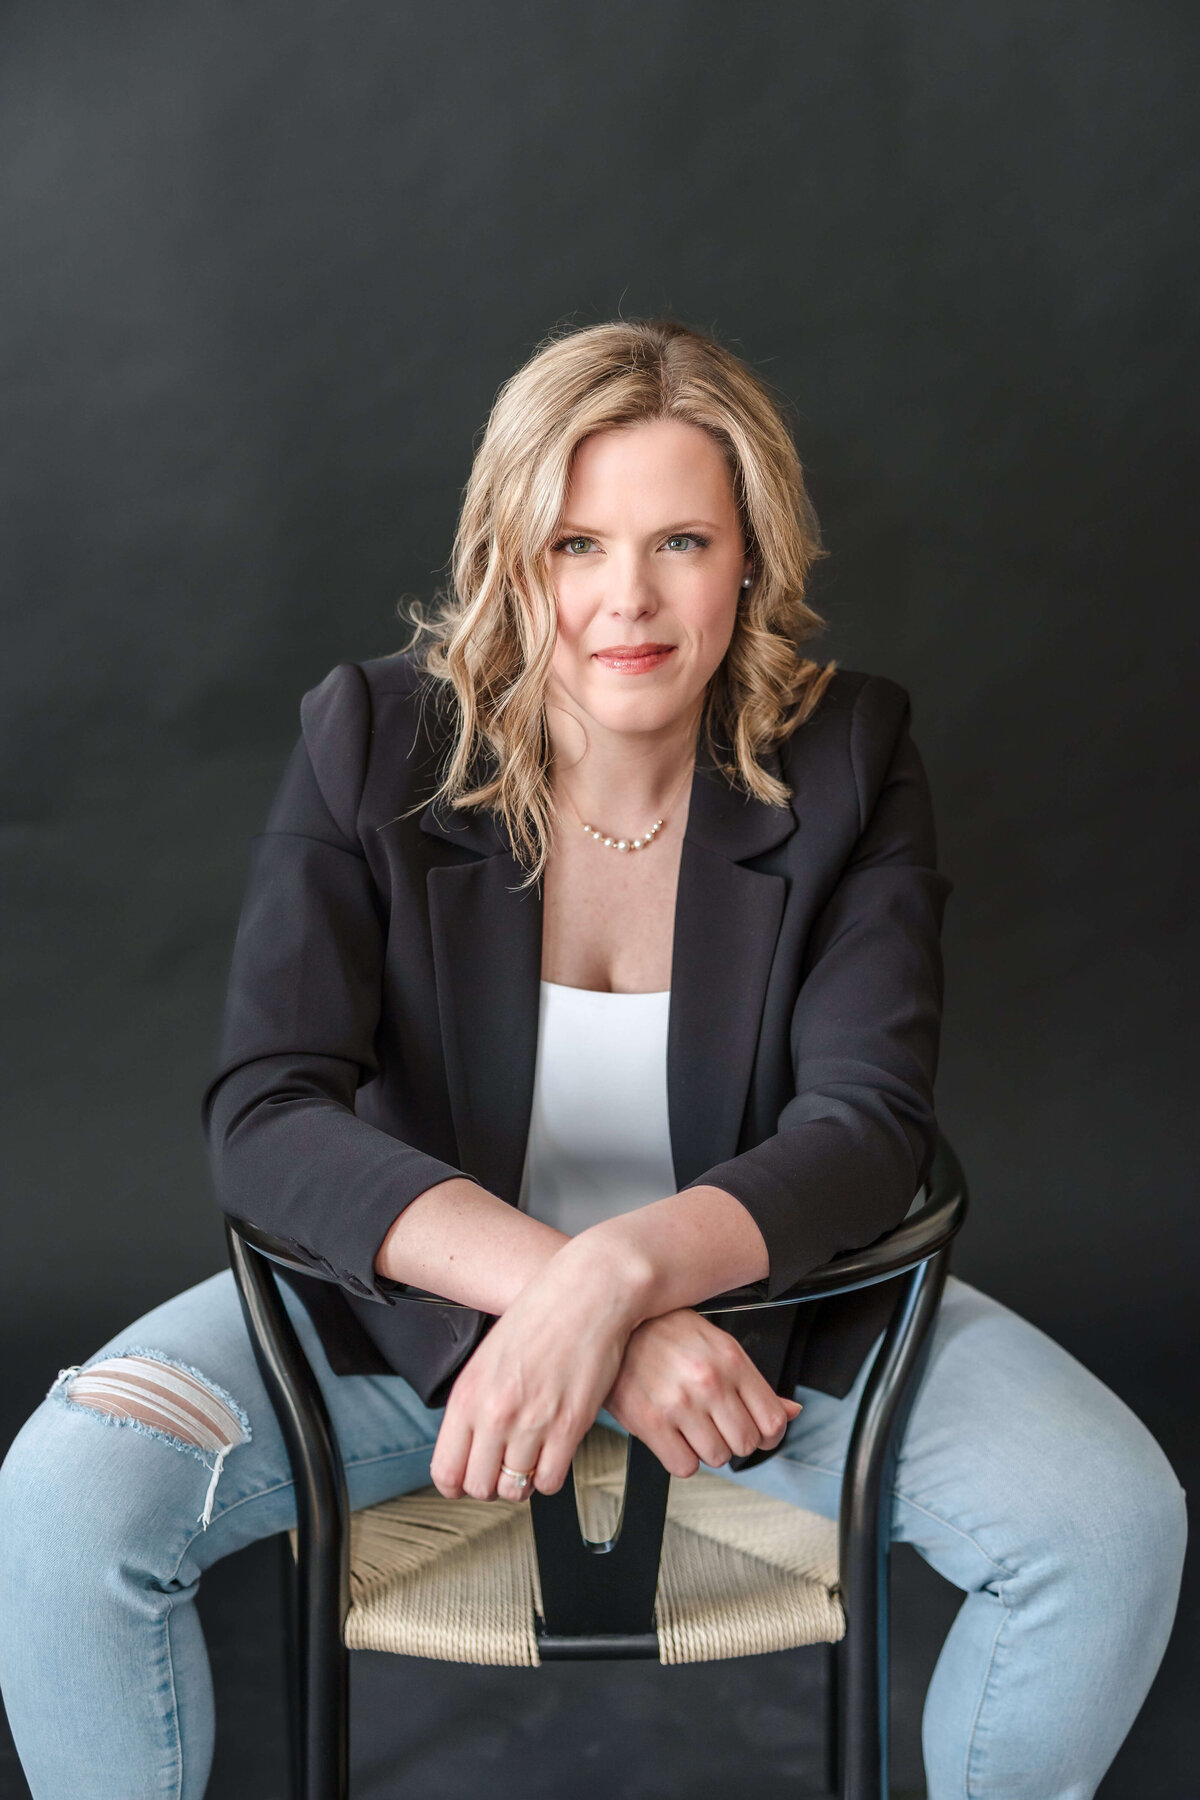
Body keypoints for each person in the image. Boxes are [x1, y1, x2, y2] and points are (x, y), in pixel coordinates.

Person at [0, 318, 1185, 1800]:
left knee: (1114, 1521)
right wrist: (565, 1310)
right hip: (398, 1341)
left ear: (750, 556)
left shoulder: (849, 756)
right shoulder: (375, 738)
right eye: (575, 545)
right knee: (65, 1491)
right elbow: (270, 1108)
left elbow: (868, 1124)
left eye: (680, 540)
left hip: (769, 1345)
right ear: (511, 557)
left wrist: (620, 1280)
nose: (626, 599)